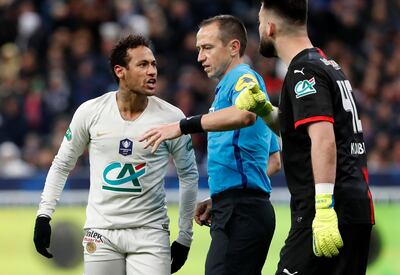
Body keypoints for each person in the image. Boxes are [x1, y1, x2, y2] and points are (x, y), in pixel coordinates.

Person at [33, 34, 199, 275]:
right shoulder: (90, 112)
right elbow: (61, 165)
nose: (152, 71)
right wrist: (44, 215)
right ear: (120, 71)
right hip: (100, 233)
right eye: (143, 65)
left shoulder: (173, 118)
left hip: (150, 234)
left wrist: (185, 237)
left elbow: (189, 175)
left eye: (153, 64)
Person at [235, 1, 375, 274]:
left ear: (271, 28)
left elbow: (324, 140)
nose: (259, 29)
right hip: (354, 206)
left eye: (261, 23)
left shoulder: (303, 72)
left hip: (327, 209)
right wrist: (265, 110)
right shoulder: (326, 64)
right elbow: (305, 134)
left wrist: (323, 209)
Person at [140, 15, 281, 275]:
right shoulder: (226, 89)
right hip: (240, 207)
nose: (200, 57)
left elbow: (245, 114)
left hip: (242, 212)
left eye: (207, 47)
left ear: (233, 47)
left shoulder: (243, 78)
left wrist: (182, 126)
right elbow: (273, 160)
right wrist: (221, 197)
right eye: (198, 49)